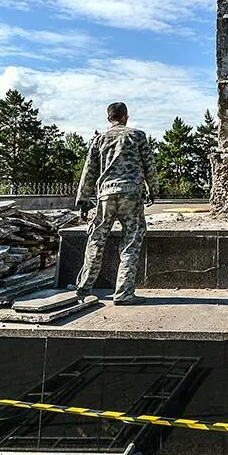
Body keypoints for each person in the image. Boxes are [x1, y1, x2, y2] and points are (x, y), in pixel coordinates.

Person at [74, 102, 160, 305]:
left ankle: (84, 288)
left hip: (105, 195)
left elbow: (89, 171)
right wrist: (153, 190)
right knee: (131, 241)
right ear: (125, 117)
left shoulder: (99, 140)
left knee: (96, 240)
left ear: (109, 119)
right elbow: (149, 165)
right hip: (131, 194)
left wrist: (83, 200)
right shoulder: (137, 136)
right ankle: (124, 293)